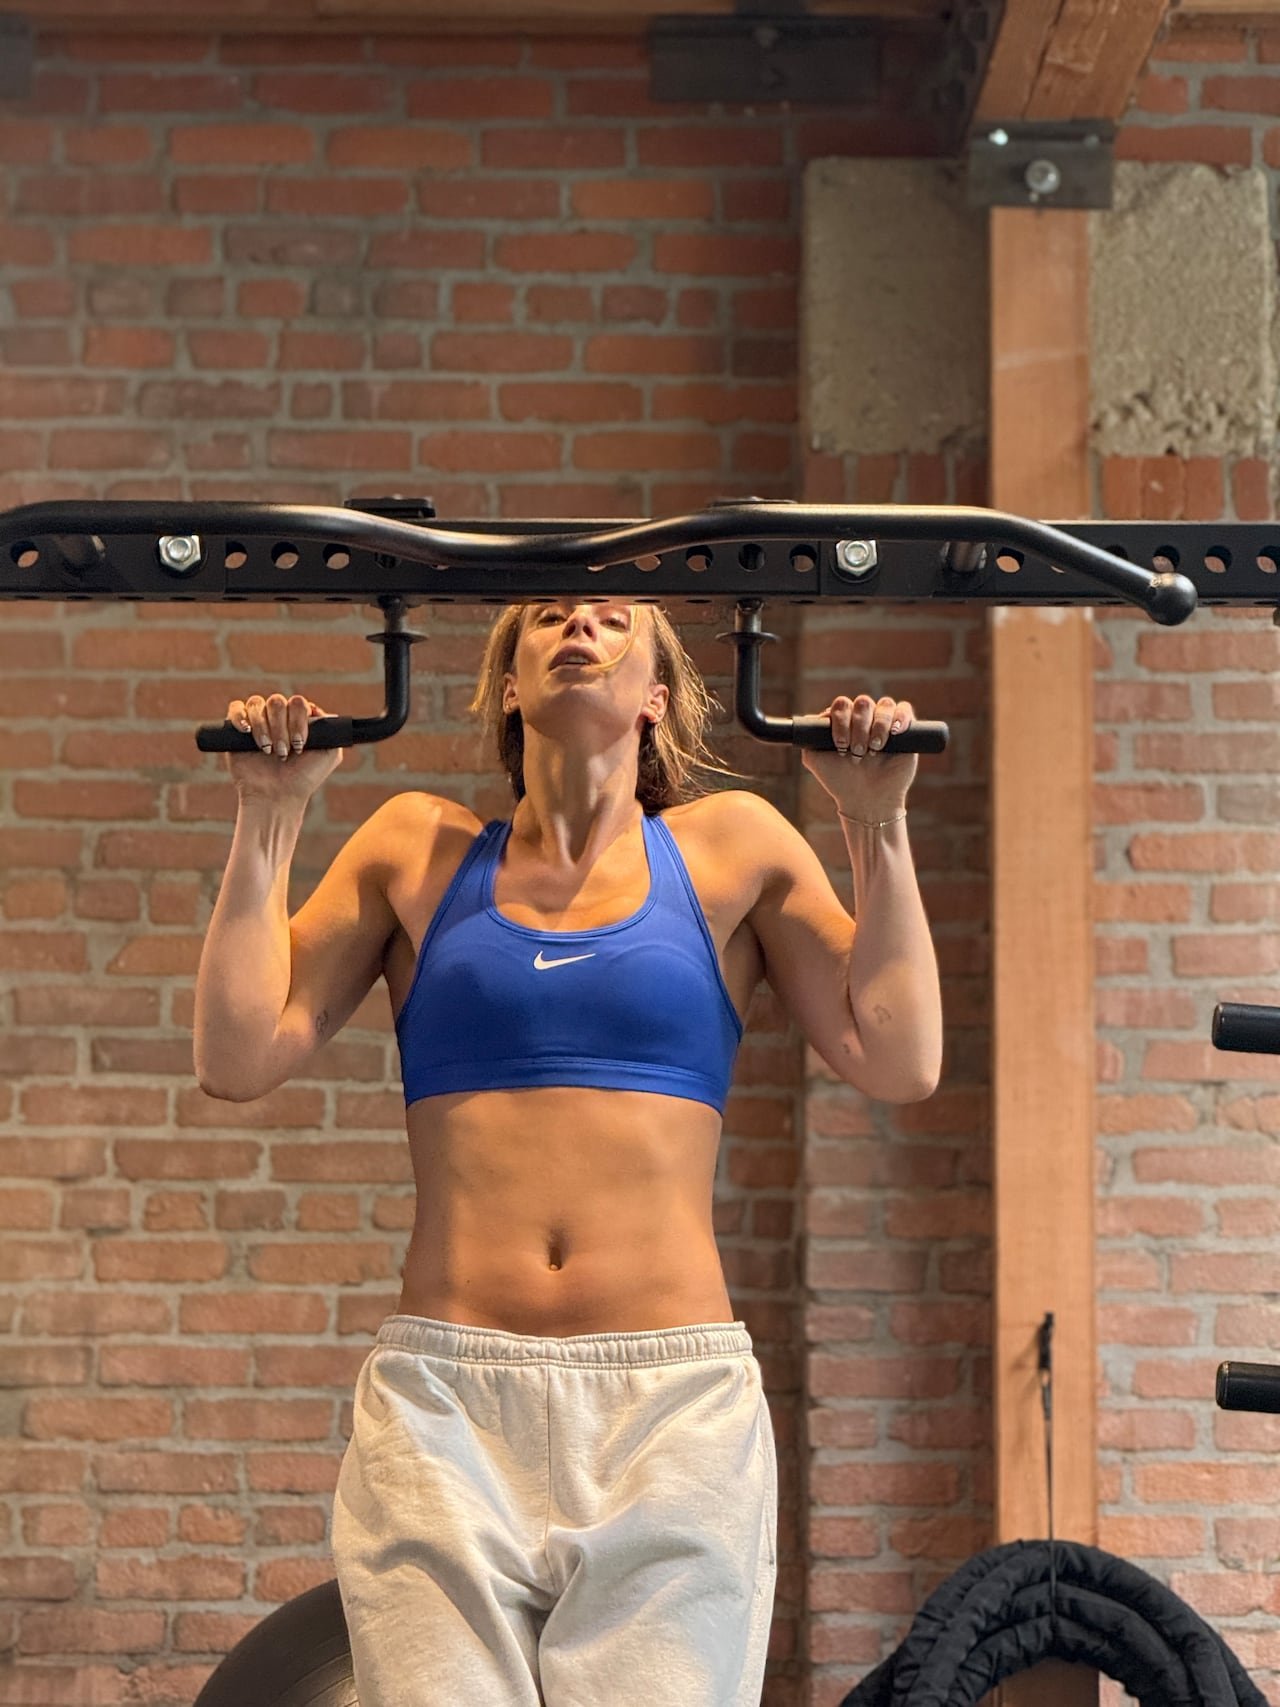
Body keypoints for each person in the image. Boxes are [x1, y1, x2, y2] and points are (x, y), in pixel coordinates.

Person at [193, 597, 943, 1707]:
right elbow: (238, 1052)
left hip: (668, 1405)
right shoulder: (417, 847)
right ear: (508, 682)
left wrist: (874, 821)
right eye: (546, 617)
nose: (575, 629)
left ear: (655, 692)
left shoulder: (732, 848)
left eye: (608, 618)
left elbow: (899, 1056)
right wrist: (267, 814)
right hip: (447, 1401)